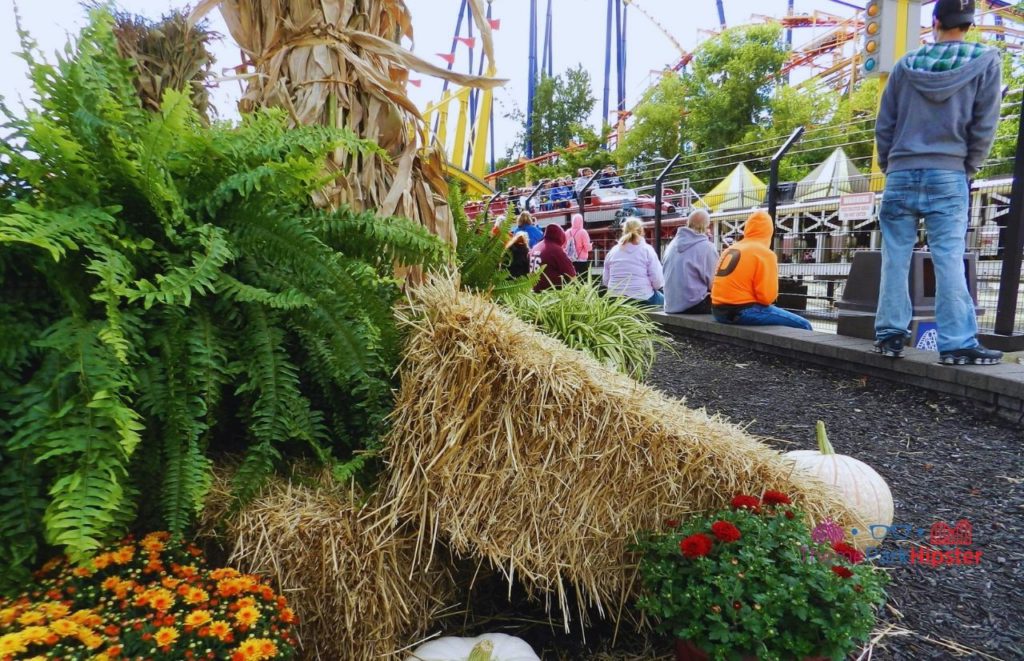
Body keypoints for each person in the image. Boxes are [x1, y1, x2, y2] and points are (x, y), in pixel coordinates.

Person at [873, 0, 1002, 365]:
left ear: (934, 21)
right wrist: (968, 166)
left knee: (895, 255)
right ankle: (957, 342)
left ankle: (889, 335)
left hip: (900, 170)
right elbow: (984, 124)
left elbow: (885, 125)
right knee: (947, 257)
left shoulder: (905, 65)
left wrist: (892, 163)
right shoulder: (985, 61)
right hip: (948, 170)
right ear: (969, 24)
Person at [711, 210, 813, 330]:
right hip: (742, 312)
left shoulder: (731, 249)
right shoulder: (765, 253)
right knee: (805, 325)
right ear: (769, 231)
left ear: (747, 228)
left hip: (717, 311)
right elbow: (766, 298)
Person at [663, 209, 718, 314]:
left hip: (670, 304)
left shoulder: (671, 245)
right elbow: (714, 284)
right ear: (707, 226)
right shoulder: (707, 247)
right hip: (694, 304)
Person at [602, 217, 665, 306]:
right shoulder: (647, 250)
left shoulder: (612, 251)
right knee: (667, 301)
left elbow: (605, 281)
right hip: (642, 299)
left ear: (623, 231)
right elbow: (658, 282)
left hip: (614, 300)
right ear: (642, 231)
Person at [532, 224, 577, 292]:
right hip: (551, 293)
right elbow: (571, 273)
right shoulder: (556, 250)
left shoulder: (534, 248)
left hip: (534, 291)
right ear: (561, 236)